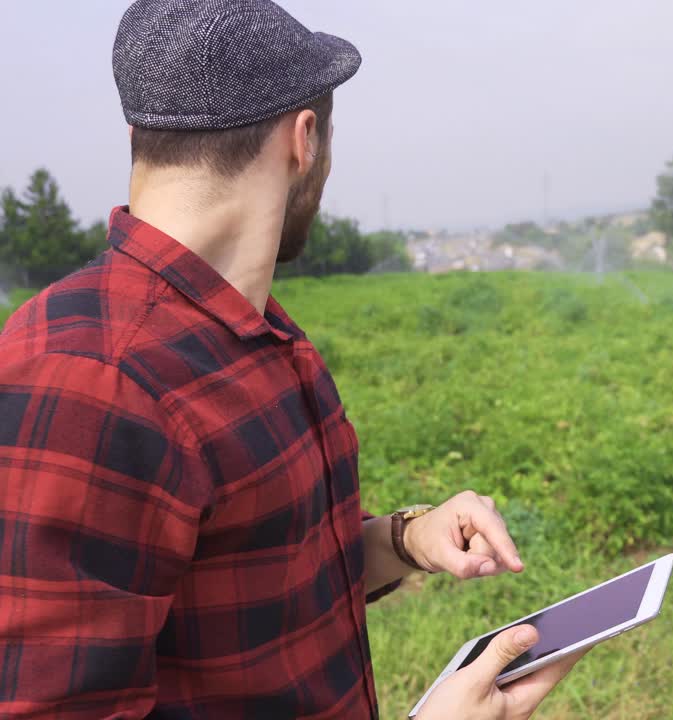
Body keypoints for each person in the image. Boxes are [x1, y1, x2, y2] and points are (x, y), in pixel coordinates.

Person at [0, 1, 583, 717]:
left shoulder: (256, 329)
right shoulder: (94, 377)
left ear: (138, 139)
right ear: (304, 139)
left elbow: (265, 579)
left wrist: (406, 539)